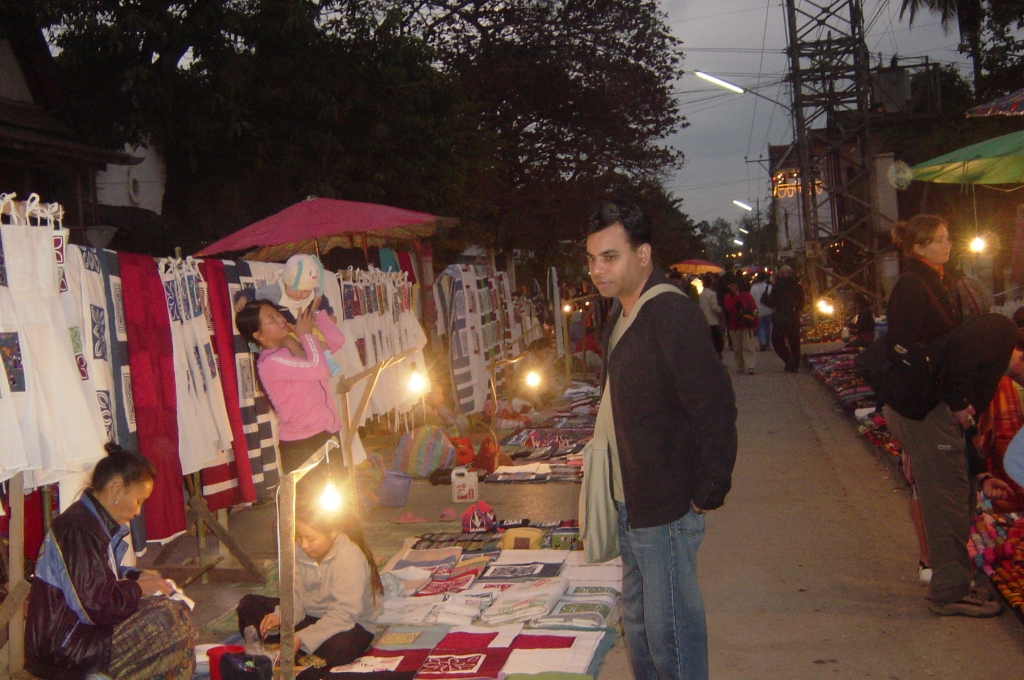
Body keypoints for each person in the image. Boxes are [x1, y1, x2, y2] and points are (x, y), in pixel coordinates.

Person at [585, 200, 737, 680]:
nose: (596, 270)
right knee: (641, 626)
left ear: (643, 254)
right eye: (591, 259)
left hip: (666, 502)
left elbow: (714, 404)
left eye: (610, 257)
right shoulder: (622, 315)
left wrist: (708, 489)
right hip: (630, 498)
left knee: (670, 631)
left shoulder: (669, 312)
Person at [883, 214, 1013, 618]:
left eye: (946, 237)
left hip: (931, 404)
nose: (947, 244)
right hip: (925, 407)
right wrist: (956, 400)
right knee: (946, 501)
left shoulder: (931, 282)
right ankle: (950, 590)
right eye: (938, 240)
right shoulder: (914, 286)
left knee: (957, 494)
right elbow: (920, 355)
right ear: (917, 247)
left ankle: (955, 582)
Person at [26, 444, 195, 680]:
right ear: (116, 489)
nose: (137, 512)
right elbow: (95, 607)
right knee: (168, 617)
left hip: (79, 636)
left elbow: (100, 576)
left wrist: (135, 576)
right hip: (62, 649)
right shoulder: (79, 529)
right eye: (138, 501)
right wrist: (138, 589)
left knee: (172, 611)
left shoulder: (90, 522)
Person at [237, 494, 381, 680]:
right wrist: (279, 616)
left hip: (349, 623)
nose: (303, 544)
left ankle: (284, 650)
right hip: (309, 616)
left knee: (340, 647)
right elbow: (294, 596)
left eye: (311, 538)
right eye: (298, 537)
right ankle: (289, 651)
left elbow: (344, 614)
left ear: (332, 532)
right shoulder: (297, 549)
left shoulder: (349, 557)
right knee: (249, 605)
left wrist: (301, 638)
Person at [236, 298, 345, 475]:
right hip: (303, 443)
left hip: (326, 432)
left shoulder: (291, 349)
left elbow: (336, 341)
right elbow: (319, 369)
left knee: (339, 497)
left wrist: (315, 312)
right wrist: (306, 335)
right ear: (258, 335)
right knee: (312, 502)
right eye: (271, 319)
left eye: (277, 313)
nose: (280, 319)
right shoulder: (270, 362)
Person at [767, 265, 805, 372]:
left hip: (780, 318)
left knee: (777, 341)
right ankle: (795, 364)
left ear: (781, 274)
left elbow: (773, 302)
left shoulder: (777, 286)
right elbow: (802, 304)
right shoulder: (798, 287)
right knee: (794, 342)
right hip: (793, 317)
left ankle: (788, 359)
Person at [724, 280, 759, 375]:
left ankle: (750, 366)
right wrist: (736, 297)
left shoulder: (747, 296)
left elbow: (754, 309)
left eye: (733, 285)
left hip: (746, 325)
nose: (731, 287)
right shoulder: (728, 297)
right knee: (737, 348)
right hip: (734, 326)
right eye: (730, 286)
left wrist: (755, 323)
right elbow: (729, 308)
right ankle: (740, 366)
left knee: (748, 346)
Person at [698, 273, 724, 360]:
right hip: (712, 321)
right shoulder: (712, 294)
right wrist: (720, 310)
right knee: (717, 342)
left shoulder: (701, 294)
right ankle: (719, 360)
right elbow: (714, 307)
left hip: (704, 320)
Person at [749, 272, 773, 351]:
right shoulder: (769, 287)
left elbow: (751, 300)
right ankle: (768, 344)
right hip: (768, 310)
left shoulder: (753, 288)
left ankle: (762, 342)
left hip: (758, 311)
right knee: (768, 327)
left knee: (760, 327)